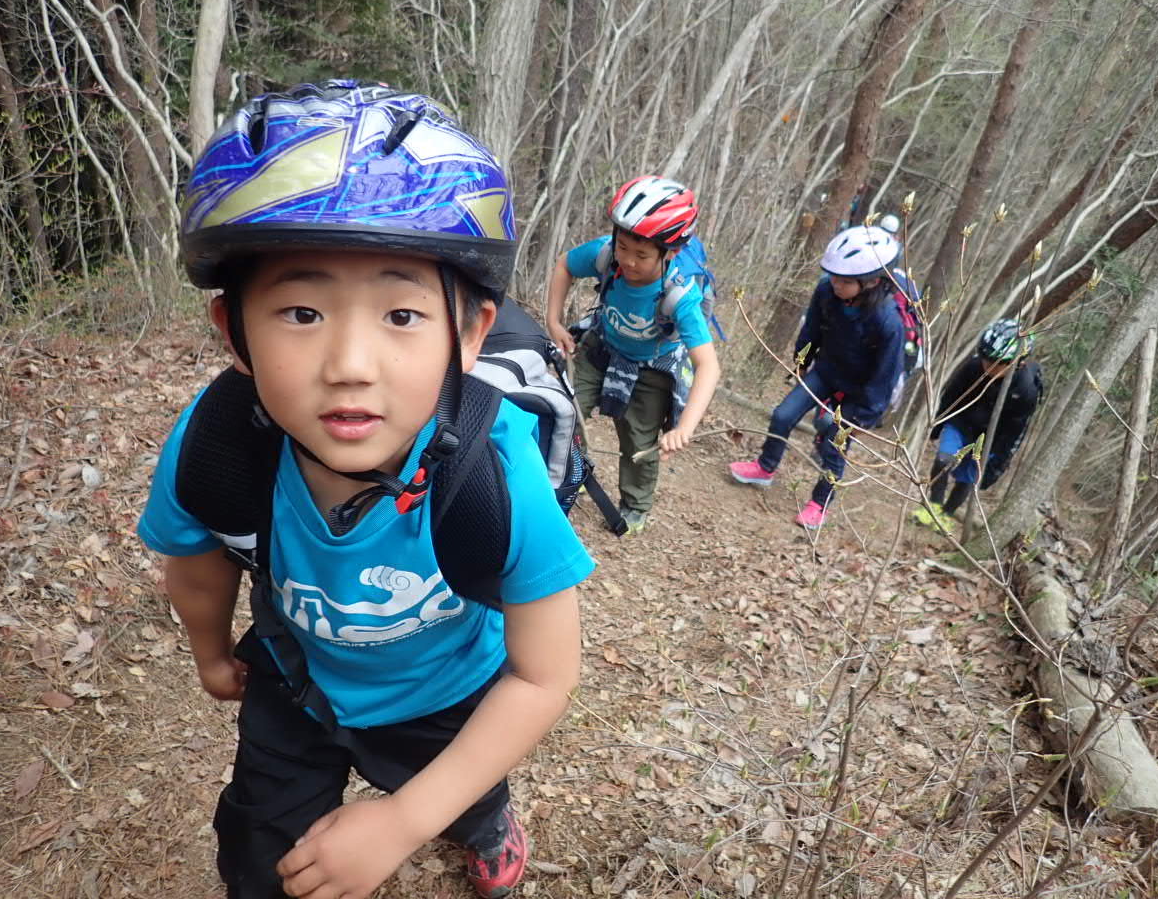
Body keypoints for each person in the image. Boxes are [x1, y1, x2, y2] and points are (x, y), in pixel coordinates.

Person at [137, 81, 593, 899]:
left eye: (402, 316)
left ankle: (485, 826)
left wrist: (404, 820)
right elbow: (198, 562)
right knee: (257, 856)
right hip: (297, 680)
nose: (350, 363)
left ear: (473, 333)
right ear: (233, 333)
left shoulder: (495, 468)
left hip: (451, 692)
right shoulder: (216, 447)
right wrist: (210, 651)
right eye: (302, 312)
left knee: (463, 797)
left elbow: (543, 675)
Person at [545, 175, 721, 535]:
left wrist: (684, 428)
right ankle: (566, 469)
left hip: (652, 366)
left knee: (638, 442)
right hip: (602, 346)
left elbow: (708, 366)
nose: (628, 260)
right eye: (623, 246)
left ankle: (636, 504)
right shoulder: (606, 254)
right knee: (563, 404)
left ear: (669, 253)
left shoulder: (679, 296)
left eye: (642, 254)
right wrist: (553, 321)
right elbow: (564, 265)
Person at [728, 225, 905, 530]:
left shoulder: (888, 322)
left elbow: (883, 379)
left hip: (858, 392)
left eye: (844, 281)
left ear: (872, 282)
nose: (835, 283)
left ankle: (819, 503)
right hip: (826, 371)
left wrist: (861, 418)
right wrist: (802, 361)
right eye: (834, 276)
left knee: (833, 441)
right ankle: (765, 467)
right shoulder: (827, 291)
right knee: (783, 415)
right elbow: (811, 328)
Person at [915, 318, 1044, 532]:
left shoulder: (1025, 390)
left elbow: (1016, 432)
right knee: (943, 460)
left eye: (995, 363)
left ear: (1018, 363)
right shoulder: (974, 366)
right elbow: (951, 395)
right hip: (961, 423)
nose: (987, 366)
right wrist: (938, 424)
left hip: (991, 441)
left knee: (967, 478)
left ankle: (946, 515)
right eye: (985, 359)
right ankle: (933, 507)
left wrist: (996, 466)